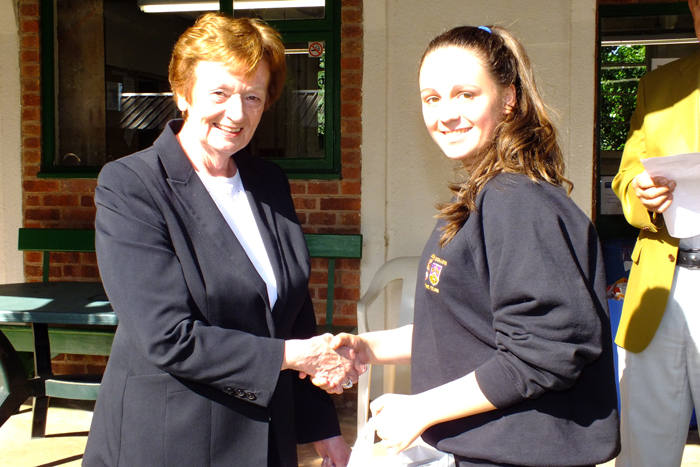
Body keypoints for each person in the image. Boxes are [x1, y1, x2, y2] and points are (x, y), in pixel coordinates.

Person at [329, 25, 620, 467]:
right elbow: (470, 327)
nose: (445, 113)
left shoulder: (517, 202)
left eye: (465, 94)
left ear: (508, 99)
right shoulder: (480, 197)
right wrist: (367, 348)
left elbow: (545, 352)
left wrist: (421, 408)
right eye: (432, 98)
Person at [83, 13, 356, 467]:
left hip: (266, 440)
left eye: (252, 96)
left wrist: (323, 429)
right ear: (182, 92)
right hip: (172, 441)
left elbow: (290, 314)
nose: (237, 112)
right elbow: (168, 336)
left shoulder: (268, 181)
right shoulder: (131, 184)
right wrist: (296, 356)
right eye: (220, 92)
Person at [611, 1, 700, 465]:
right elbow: (625, 178)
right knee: (645, 448)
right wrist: (640, 194)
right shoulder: (658, 85)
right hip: (659, 288)